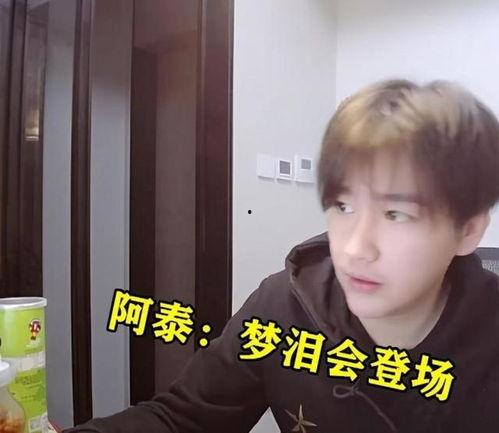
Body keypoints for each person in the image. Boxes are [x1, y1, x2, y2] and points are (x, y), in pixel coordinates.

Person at [65, 79, 499, 433]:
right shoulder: (284, 305)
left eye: (396, 214)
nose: (354, 248)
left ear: (468, 230)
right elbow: (185, 419)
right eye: (343, 206)